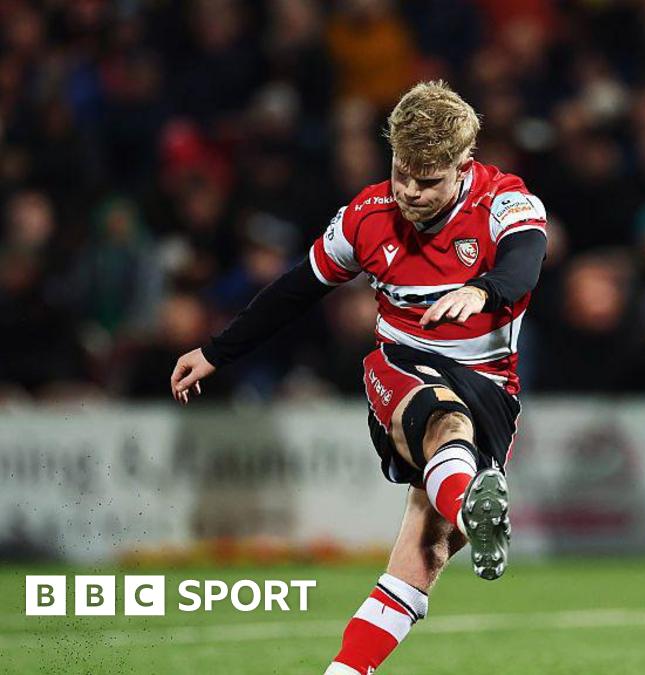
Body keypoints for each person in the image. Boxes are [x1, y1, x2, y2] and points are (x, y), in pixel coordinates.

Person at [169, 81, 548, 675]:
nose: (411, 192)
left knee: (421, 558)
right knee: (437, 413)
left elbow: (525, 261)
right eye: (402, 173)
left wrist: (482, 289)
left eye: (428, 180)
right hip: (403, 370)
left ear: (463, 166)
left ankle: (347, 669)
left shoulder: (507, 201)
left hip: (491, 388)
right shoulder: (366, 218)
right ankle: (473, 498)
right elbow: (296, 289)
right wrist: (218, 351)